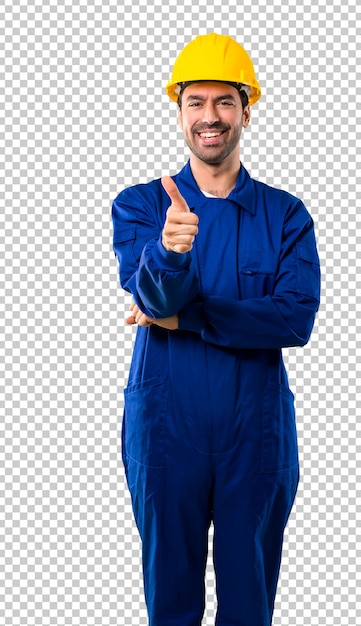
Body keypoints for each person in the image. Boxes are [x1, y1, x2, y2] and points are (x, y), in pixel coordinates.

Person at [112, 32, 320, 626]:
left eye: (225, 102)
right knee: (170, 596)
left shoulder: (287, 215)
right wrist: (171, 254)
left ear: (246, 111)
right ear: (179, 112)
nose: (211, 117)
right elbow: (149, 295)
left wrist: (186, 317)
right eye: (196, 102)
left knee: (249, 599)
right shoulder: (141, 205)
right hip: (164, 427)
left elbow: (296, 317)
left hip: (253, 434)